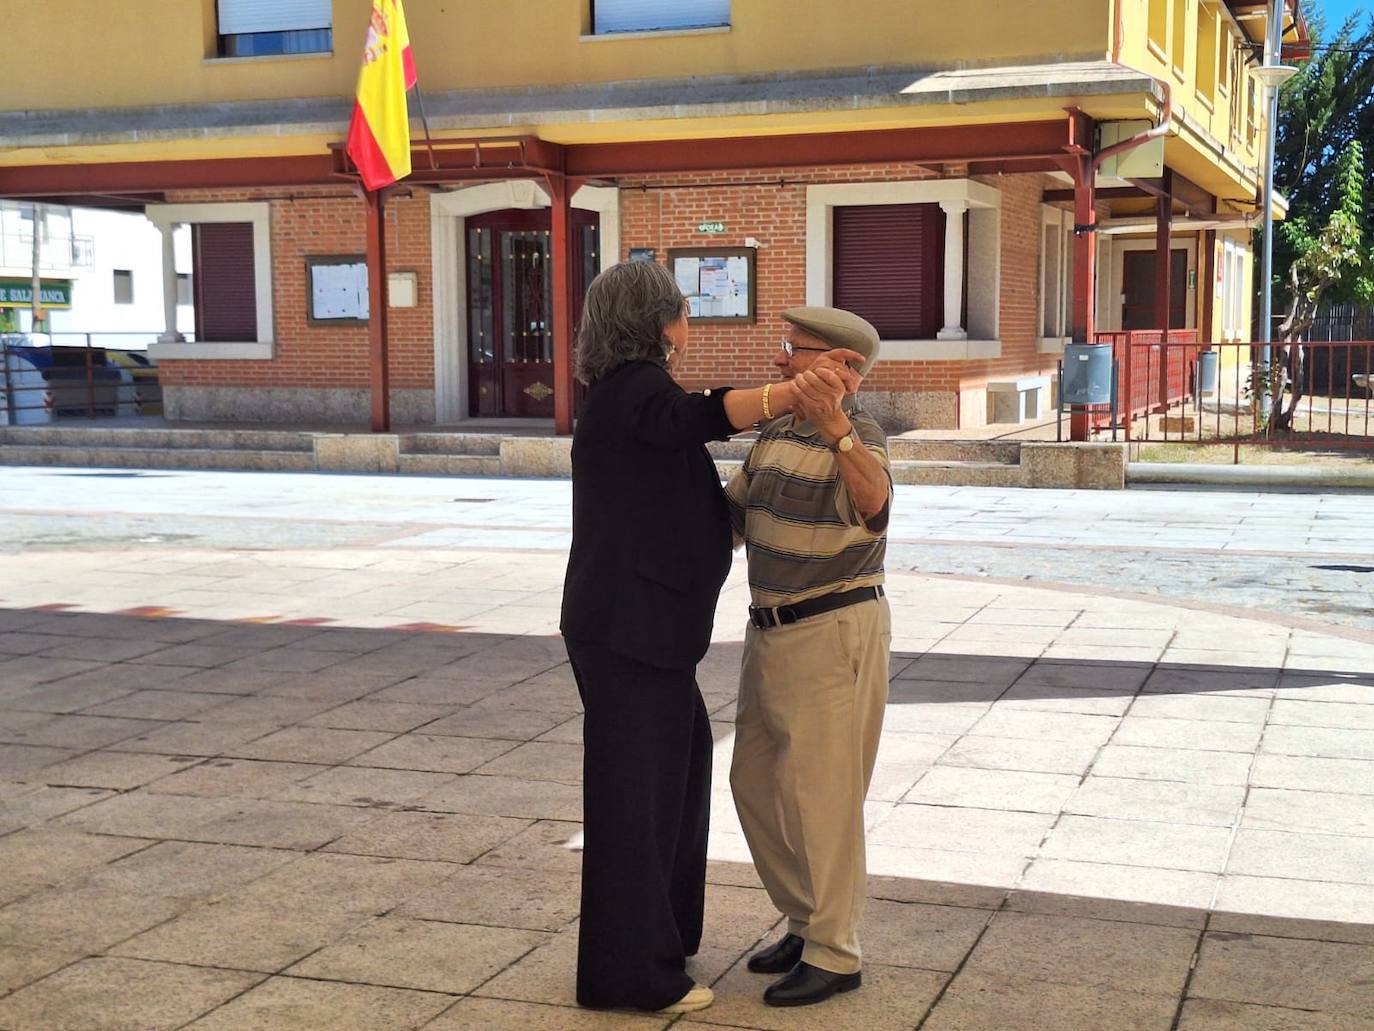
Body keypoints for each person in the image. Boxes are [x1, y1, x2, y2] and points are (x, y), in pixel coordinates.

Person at [560, 264, 863, 1015]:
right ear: (661, 324)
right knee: (636, 802)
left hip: (646, 633)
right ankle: (631, 976)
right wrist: (791, 396)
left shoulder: (628, 394)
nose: (689, 326)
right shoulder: (635, 390)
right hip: (629, 634)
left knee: (679, 774)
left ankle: (663, 939)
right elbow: (696, 416)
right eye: (685, 313)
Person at [725, 306, 893, 1008]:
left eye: (795, 350)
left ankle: (835, 951)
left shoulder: (860, 435)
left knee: (824, 800)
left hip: (832, 629)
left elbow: (876, 503)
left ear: (841, 368)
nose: (780, 361)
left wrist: (839, 431)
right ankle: (805, 918)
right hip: (768, 630)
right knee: (753, 783)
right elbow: (728, 515)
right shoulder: (775, 431)